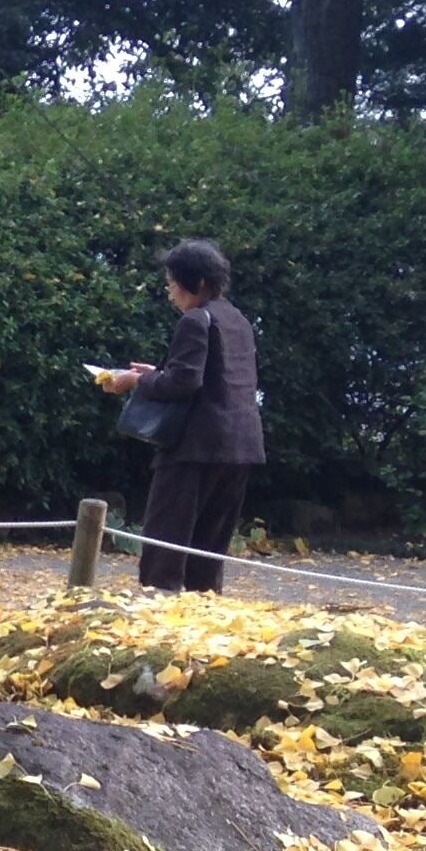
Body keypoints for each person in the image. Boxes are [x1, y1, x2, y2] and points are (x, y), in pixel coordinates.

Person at [101, 238, 262, 594]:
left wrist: (136, 381)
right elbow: (215, 378)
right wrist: (157, 373)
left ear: (198, 283)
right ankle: (203, 613)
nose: (170, 292)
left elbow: (183, 383)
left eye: (173, 283)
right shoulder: (238, 320)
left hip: (195, 447)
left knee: (166, 545)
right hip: (240, 446)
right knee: (208, 549)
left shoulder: (195, 319)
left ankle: (160, 612)